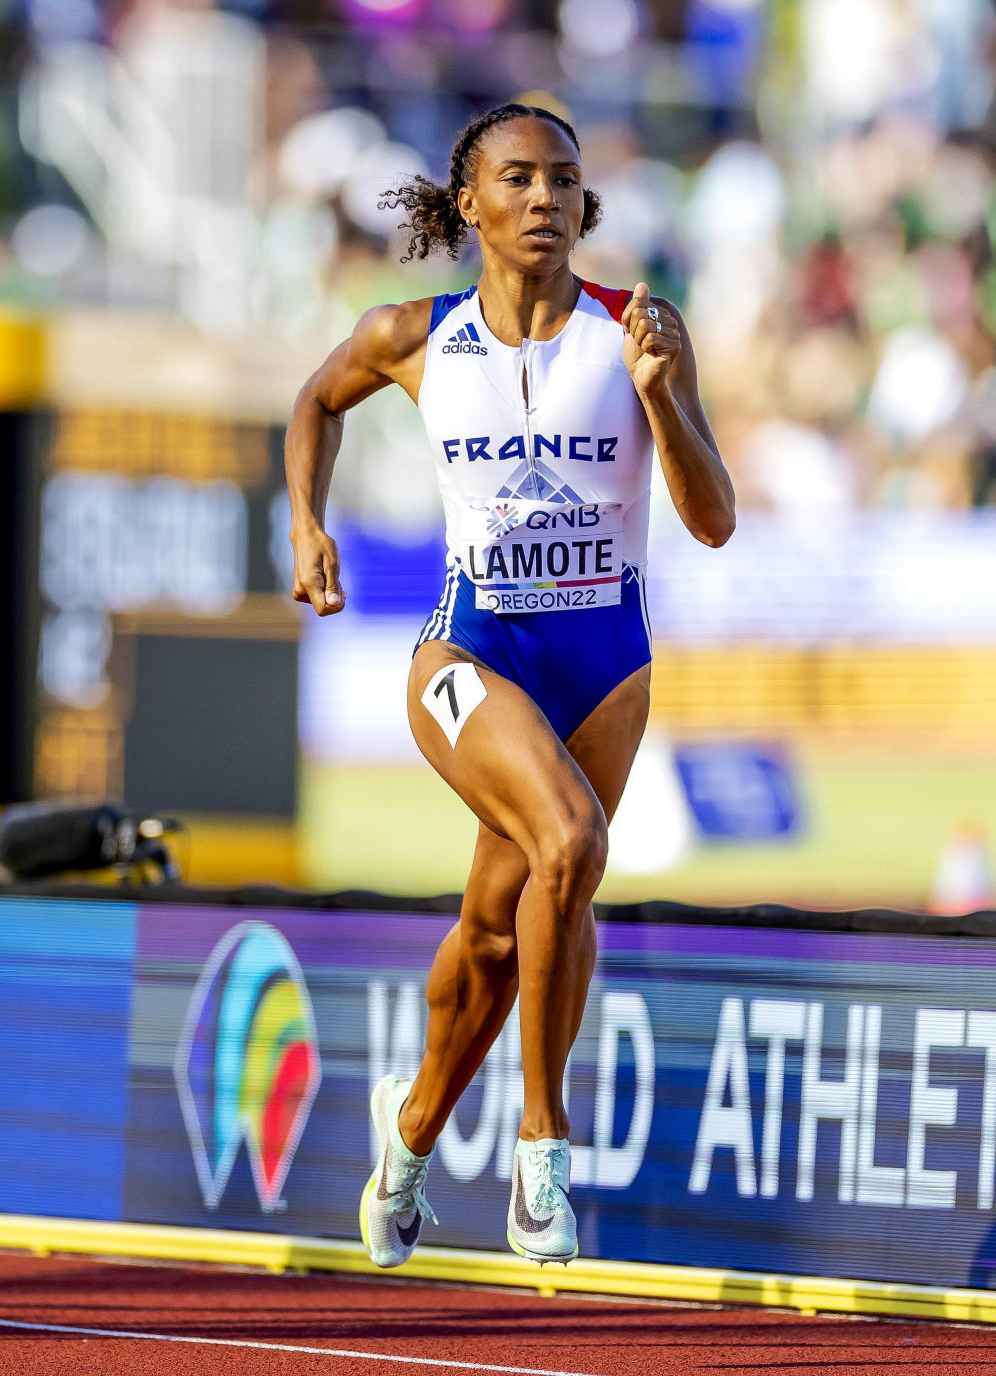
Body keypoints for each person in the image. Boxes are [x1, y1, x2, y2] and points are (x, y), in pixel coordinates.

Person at [284, 103, 734, 1267]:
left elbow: (713, 519)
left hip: (606, 664)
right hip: (471, 653)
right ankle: (542, 1153)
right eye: (520, 178)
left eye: (566, 180)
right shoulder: (412, 335)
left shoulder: (636, 328)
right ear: (469, 203)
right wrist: (307, 524)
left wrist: (663, 393)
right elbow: (315, 403)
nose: (545, 198)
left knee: (499, 926)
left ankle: (409, 1133)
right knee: (571, 839)